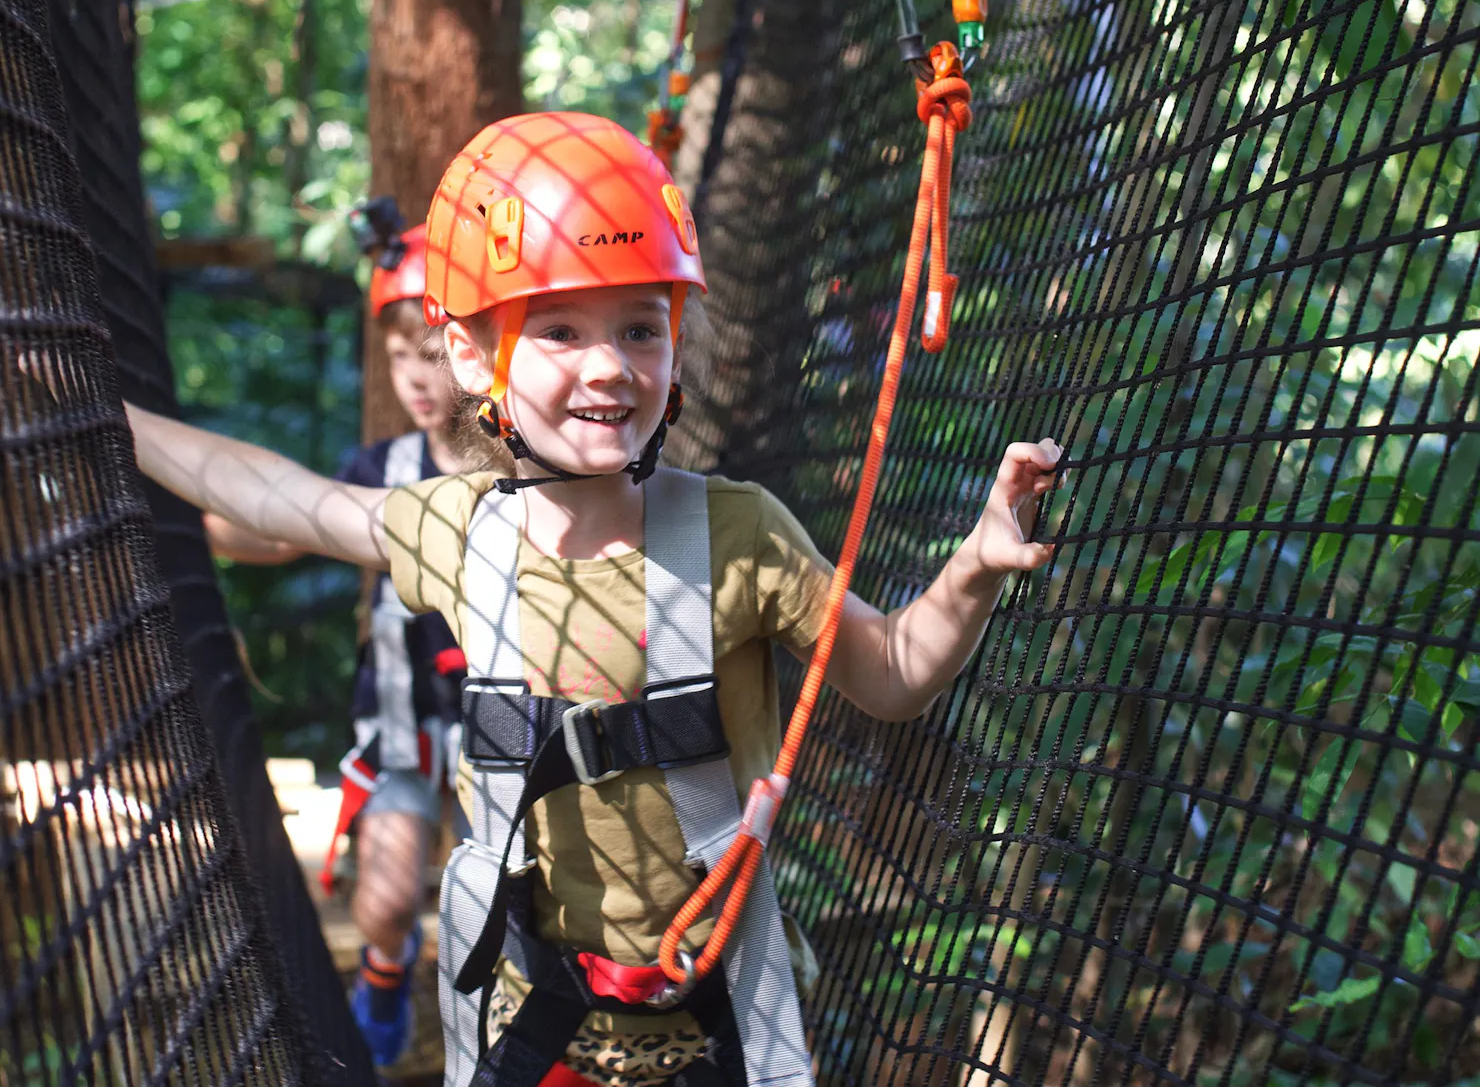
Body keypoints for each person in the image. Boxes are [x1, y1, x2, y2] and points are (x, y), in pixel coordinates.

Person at [122, 112, 1062, 1087]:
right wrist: (112, 417)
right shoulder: (461, 530)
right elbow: (286, 498)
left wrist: (975, 567)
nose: (609, 365)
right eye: (560, 329)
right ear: (472, 354)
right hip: (534, 1030)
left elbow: (893, 675)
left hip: (714, 1029)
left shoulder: (736, 534)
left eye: (639, 329)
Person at [199, 217, 475, 1068]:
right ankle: (387, 971)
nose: (416, 378)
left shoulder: (518, 462)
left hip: (502, 727)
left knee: (492, 905)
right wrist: (199, 524)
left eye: (432, 355)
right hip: (399, 720)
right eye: (400, 358)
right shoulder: (377, 467)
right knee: (387, 901)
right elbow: (281, 532)